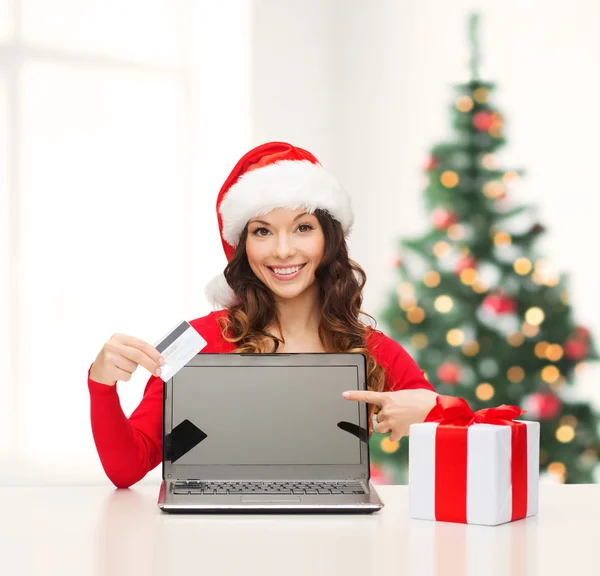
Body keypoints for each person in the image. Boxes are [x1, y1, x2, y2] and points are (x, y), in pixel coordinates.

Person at [87, 141, 438, 489]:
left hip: (331, 535)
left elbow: (457, 431)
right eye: (262, 231)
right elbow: (126, 468)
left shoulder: (370, 348)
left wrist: (433, 410)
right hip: (214, 533)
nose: (283, 251)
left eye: (303, 227)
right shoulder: (191, 340)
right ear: (242, 245)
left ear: (328, 239)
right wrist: (101, 385)